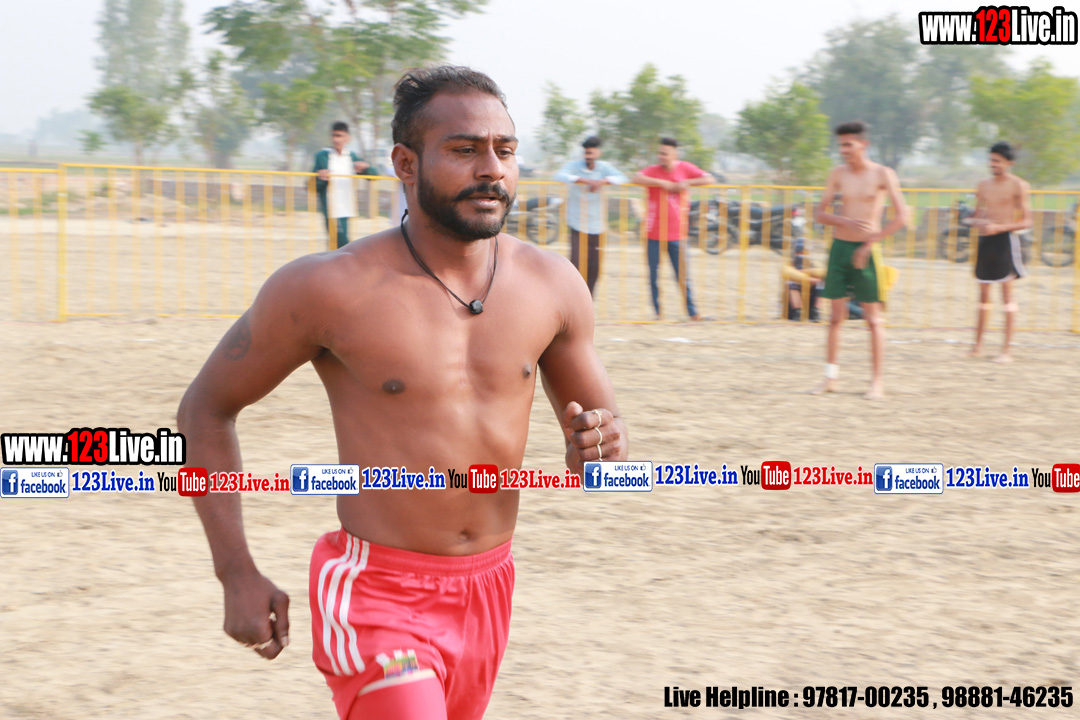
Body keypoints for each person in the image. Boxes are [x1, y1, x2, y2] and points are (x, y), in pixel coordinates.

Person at [178, 65, 627, 720]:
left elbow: (603, 461)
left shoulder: (552, 285)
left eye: (505, 150)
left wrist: (601, 448)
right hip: (376, 593)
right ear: (405, 164)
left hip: (489, 589)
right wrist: (234, 570)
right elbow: (206, 409)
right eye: (465, 149)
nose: (492, 169)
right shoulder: (329, 288)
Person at [813, 121, 908, 400]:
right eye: (840, 145)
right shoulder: (838, 174)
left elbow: (902, 216)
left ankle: (876, 382)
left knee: (873, 319)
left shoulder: (882, 174)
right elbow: (819, 213)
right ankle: (830, 378)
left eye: (848, 145)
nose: (843, 150)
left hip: (867, 251)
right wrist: (843, 221)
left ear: (863, 144)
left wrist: (870, 243)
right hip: (839, 248)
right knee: (835, 317)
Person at [631, 138, 715, 321]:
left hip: (678, 234)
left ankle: (693, 313)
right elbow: (636, 178)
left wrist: (687, 183)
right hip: (653, 233)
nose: (661, 156)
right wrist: (661, 183)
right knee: (653, 276)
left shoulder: (685, 168)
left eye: (665, 153)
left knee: (683, 276)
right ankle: (658, 313)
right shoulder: (653, 170)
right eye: (660, 153)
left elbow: (709, 179)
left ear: (674, 154)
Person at [967, 141, 1032, 363]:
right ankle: (977, 347)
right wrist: (975, 222)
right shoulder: (983, 185)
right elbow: (977, 215)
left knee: (1007, 296)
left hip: (1006, 241)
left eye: (997, 161)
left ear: (1009, 163)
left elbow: (1026, 221)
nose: (992, 164)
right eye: (991, 160)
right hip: (986, 241)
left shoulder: (1018, 185)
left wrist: (999, 228)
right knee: (983, 295)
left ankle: (1006, 350)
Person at [554, 136, 627, 295]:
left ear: (599, 153)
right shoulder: (574, 166)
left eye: (591, 154)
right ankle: (573, 298)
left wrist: (603, 181)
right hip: (577, 223)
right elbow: (558, 176)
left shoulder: (604, 168)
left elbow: (623, 178)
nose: (588, 157)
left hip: (597, 225)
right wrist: (583, 180)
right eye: (586, 153)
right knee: (576, 264)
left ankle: (588, 300)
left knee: (594, 267)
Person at [313, 122, 376, 248]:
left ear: (347, 138)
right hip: (331, 206)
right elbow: (313, 185)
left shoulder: (351, 156)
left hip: (346, 206)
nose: (336, 139)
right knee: (339, 242)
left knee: (337, 245)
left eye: (339, 136)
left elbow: (373, 176)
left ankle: (340, 260)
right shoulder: (323, 156)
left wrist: (366, 167)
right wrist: (319, 176)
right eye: (333, 135)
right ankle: (351, 259)